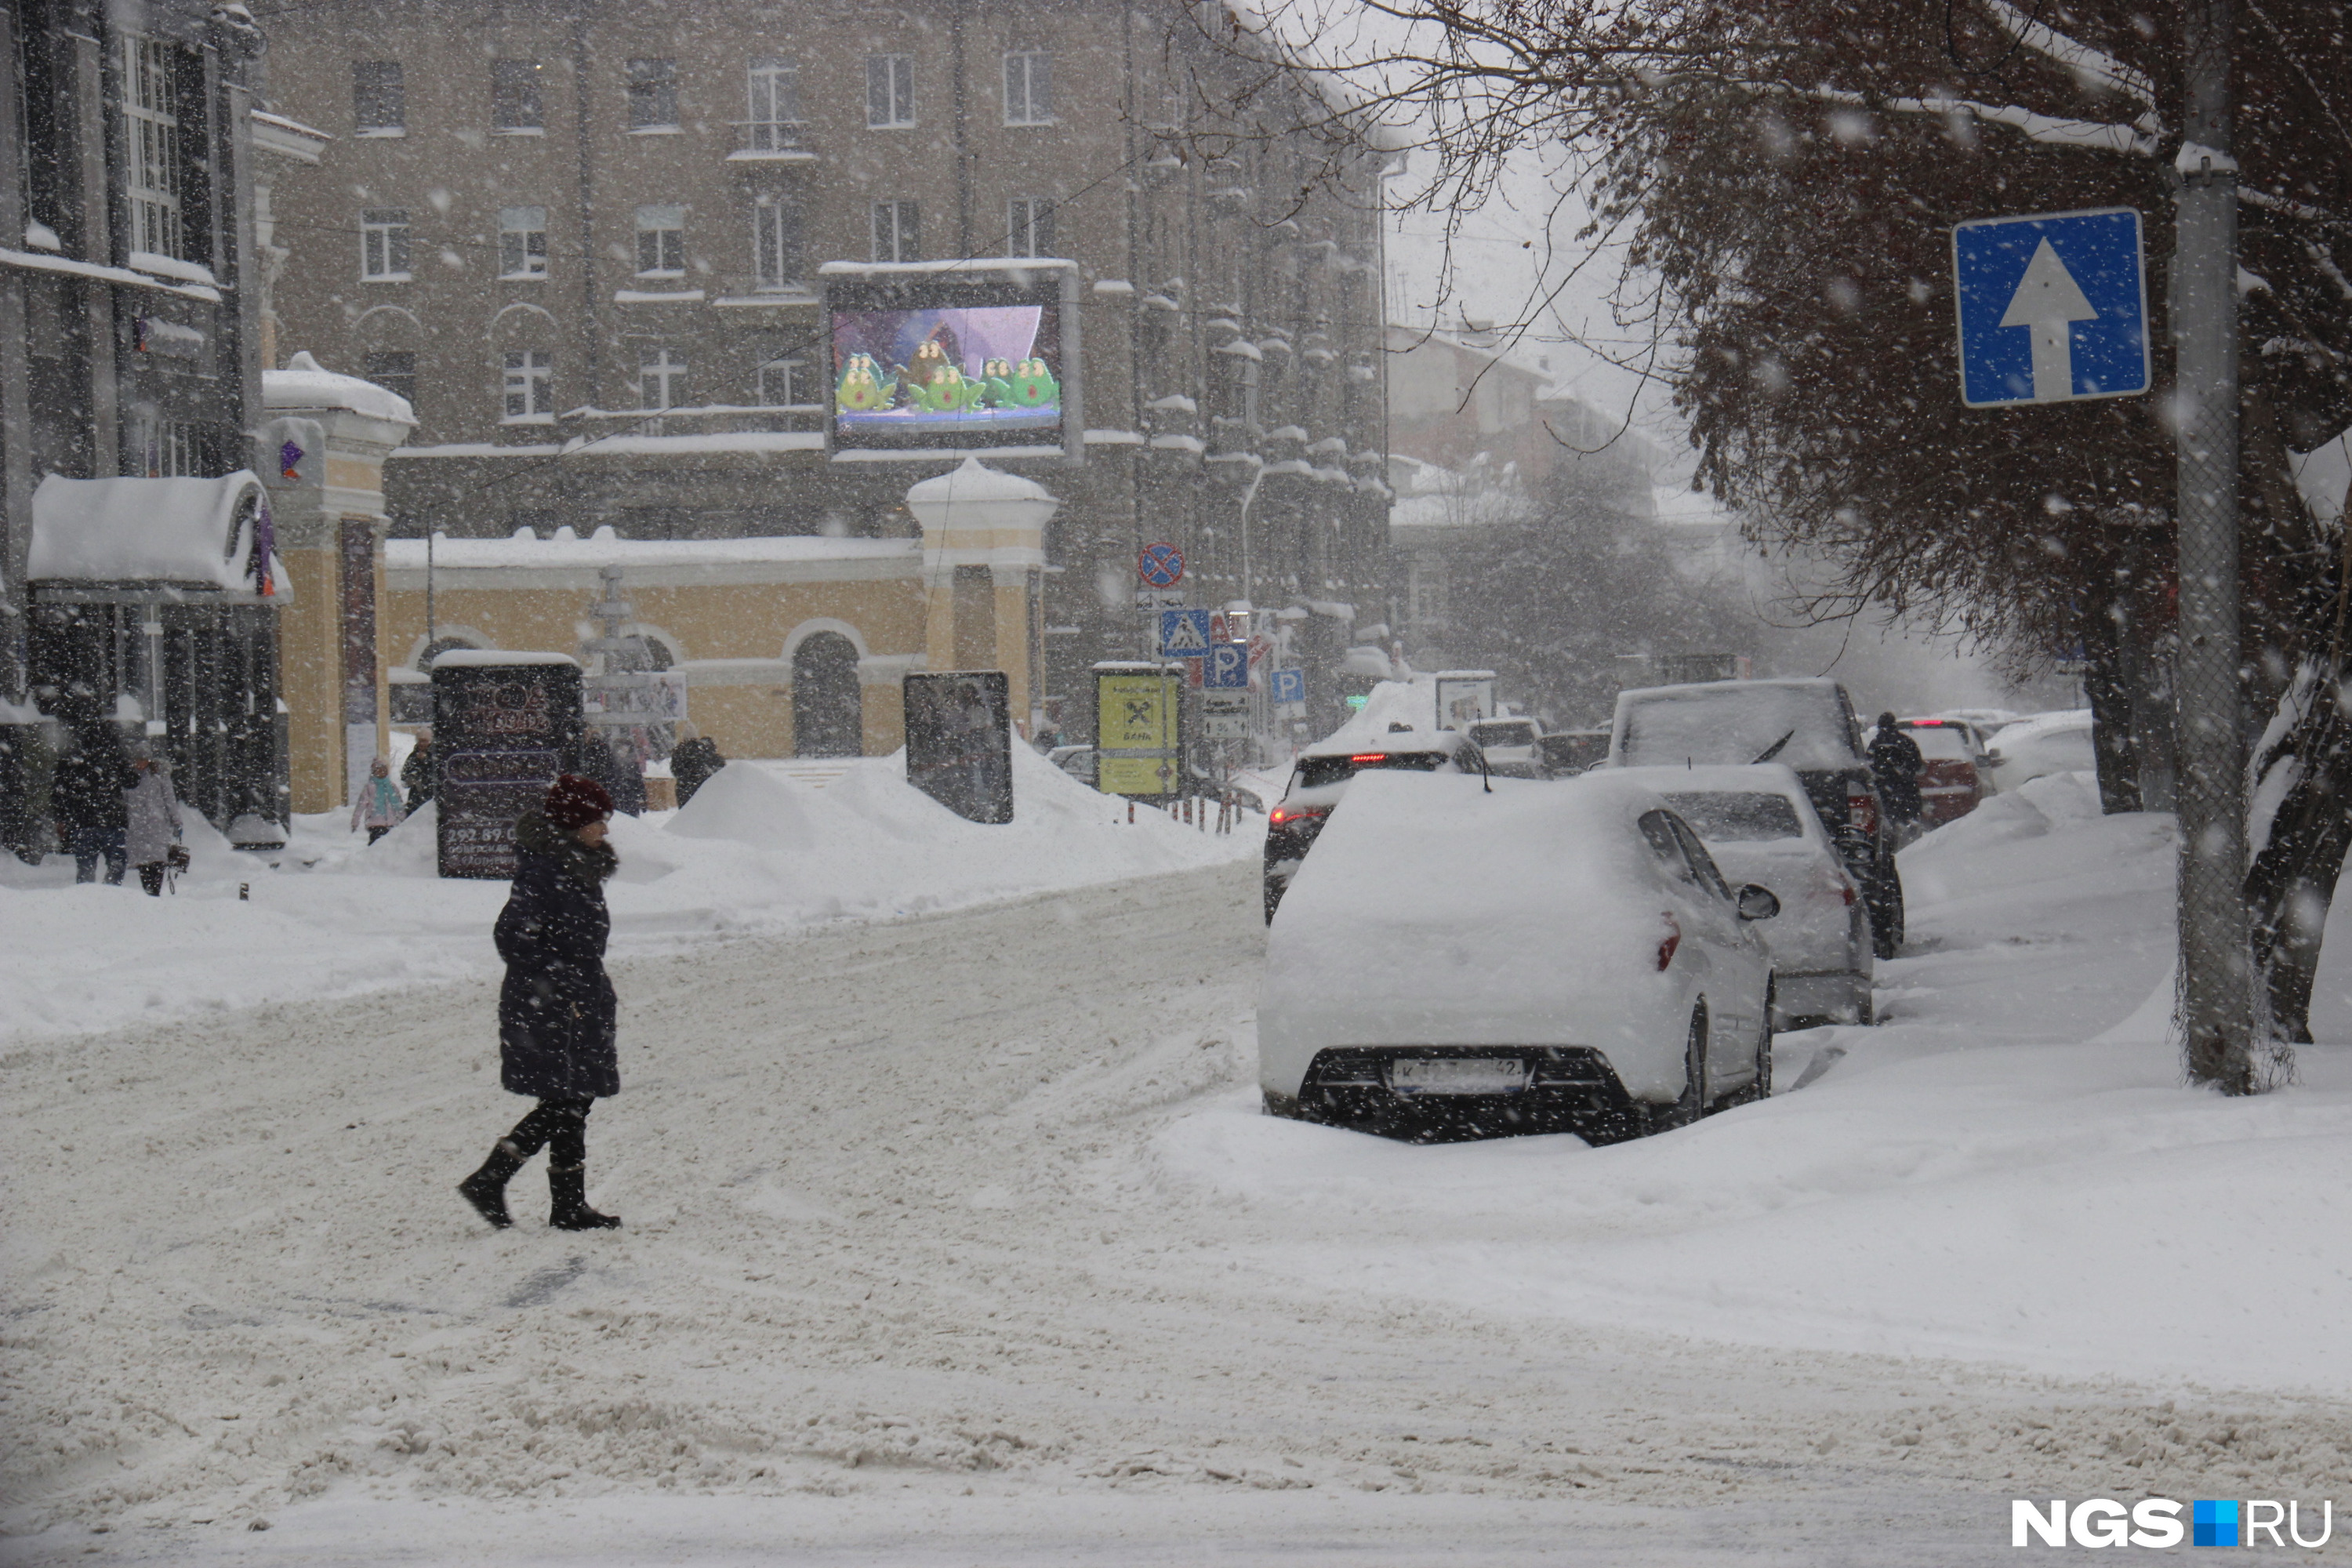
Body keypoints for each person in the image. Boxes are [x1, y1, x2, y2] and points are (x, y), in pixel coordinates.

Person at [458, 774, 623, 1232]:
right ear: (574, 823)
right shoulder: (547, 873)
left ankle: (568, 1205)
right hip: (552, 1004)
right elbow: (513, 937)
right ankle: (492, 1178)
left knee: (573, 1096)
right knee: (567, 1099)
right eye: (598, 820)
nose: (605, 830)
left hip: (575, 999)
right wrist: (561, 985)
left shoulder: (575, 868)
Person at [52, 731, 135, 885]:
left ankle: (89, 896)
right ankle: (109, 893)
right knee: (116, 863)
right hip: (110, 819)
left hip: (83, 821)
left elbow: (59, 791)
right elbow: (131, 780)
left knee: (86, 868)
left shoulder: (72, 758)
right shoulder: (112, 754)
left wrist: (60, 818)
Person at [122, 751, 183, 896]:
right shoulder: (129, 777)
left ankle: (154, 892)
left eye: (143, 759)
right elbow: (125, 801)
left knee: (158, 861)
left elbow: (170, 799)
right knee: (144, 863)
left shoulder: (160, 776)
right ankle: (149, 892)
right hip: (138, 827)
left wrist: (176, 821)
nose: (140, 763)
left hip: (158, 826)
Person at [1867, 711, 1925, 842]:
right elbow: (1917, 764)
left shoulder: (1874, 745)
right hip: (1906, 790)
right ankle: (1910, 843)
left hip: (1883, 791)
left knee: (1886, 821)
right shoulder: (1907, 742)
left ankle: (1889, 841)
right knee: (1909, 822)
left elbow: (1868, 766)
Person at [350, 755, 408, 844]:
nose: (381, 772)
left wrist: (403, 818)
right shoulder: (369, 788)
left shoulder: (391, 787)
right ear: (374, 772)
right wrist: (355, 821)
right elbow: (360, 806)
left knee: (389, 847)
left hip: (391, 823)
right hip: (375, 823)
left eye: (384, 770)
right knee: (377, 846)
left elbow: (398, 804)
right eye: (378, 770)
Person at [669, 722, 725, 808]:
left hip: (683, 789)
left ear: (684, 737)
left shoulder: (679, 752)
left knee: (685, 814)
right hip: (700, 788)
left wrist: (684, 778)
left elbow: (675, 770)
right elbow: (705, 770)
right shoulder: (702, 751)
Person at [401, 728, 436, 815]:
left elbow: (437, 773)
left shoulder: (435, 756)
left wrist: (425, 761)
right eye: (420, 741)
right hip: (415, 796)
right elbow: (404, 776)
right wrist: (411, 780)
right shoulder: (412, 756)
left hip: (431, 795)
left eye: (425, 741)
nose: (422, 744)